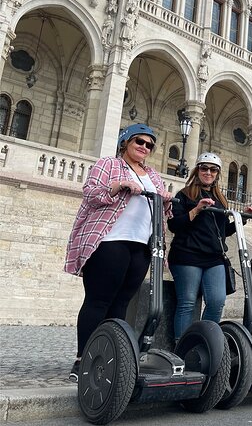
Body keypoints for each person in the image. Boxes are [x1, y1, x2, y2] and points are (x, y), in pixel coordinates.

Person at [64, 123, 172, 382]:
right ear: (126, 142)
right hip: (110, 240)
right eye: (139, 142)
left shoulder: (153, 176)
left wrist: (166, 201)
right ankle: (82, 360)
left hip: (141, 244)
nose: (145, 147)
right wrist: (119, 185)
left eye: (149, 144)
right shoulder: (108, 165)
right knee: (98, 301)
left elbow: (162, 213)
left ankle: (108, 357)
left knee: (121, 303)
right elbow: (90, 194)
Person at [167, 152, 252, 343]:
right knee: (187, 302)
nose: (208, 172)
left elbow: (223, 231)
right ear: (197, 170)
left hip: (214, 257)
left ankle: (203, 340)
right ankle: (181, 344)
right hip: (187, 255)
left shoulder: (221, 199)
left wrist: (244, 217)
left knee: (217, 301)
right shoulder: (184, 194)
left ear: (217, 174)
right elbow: (174, 225)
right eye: (204, 168)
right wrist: (196, 209)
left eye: (213, 170)